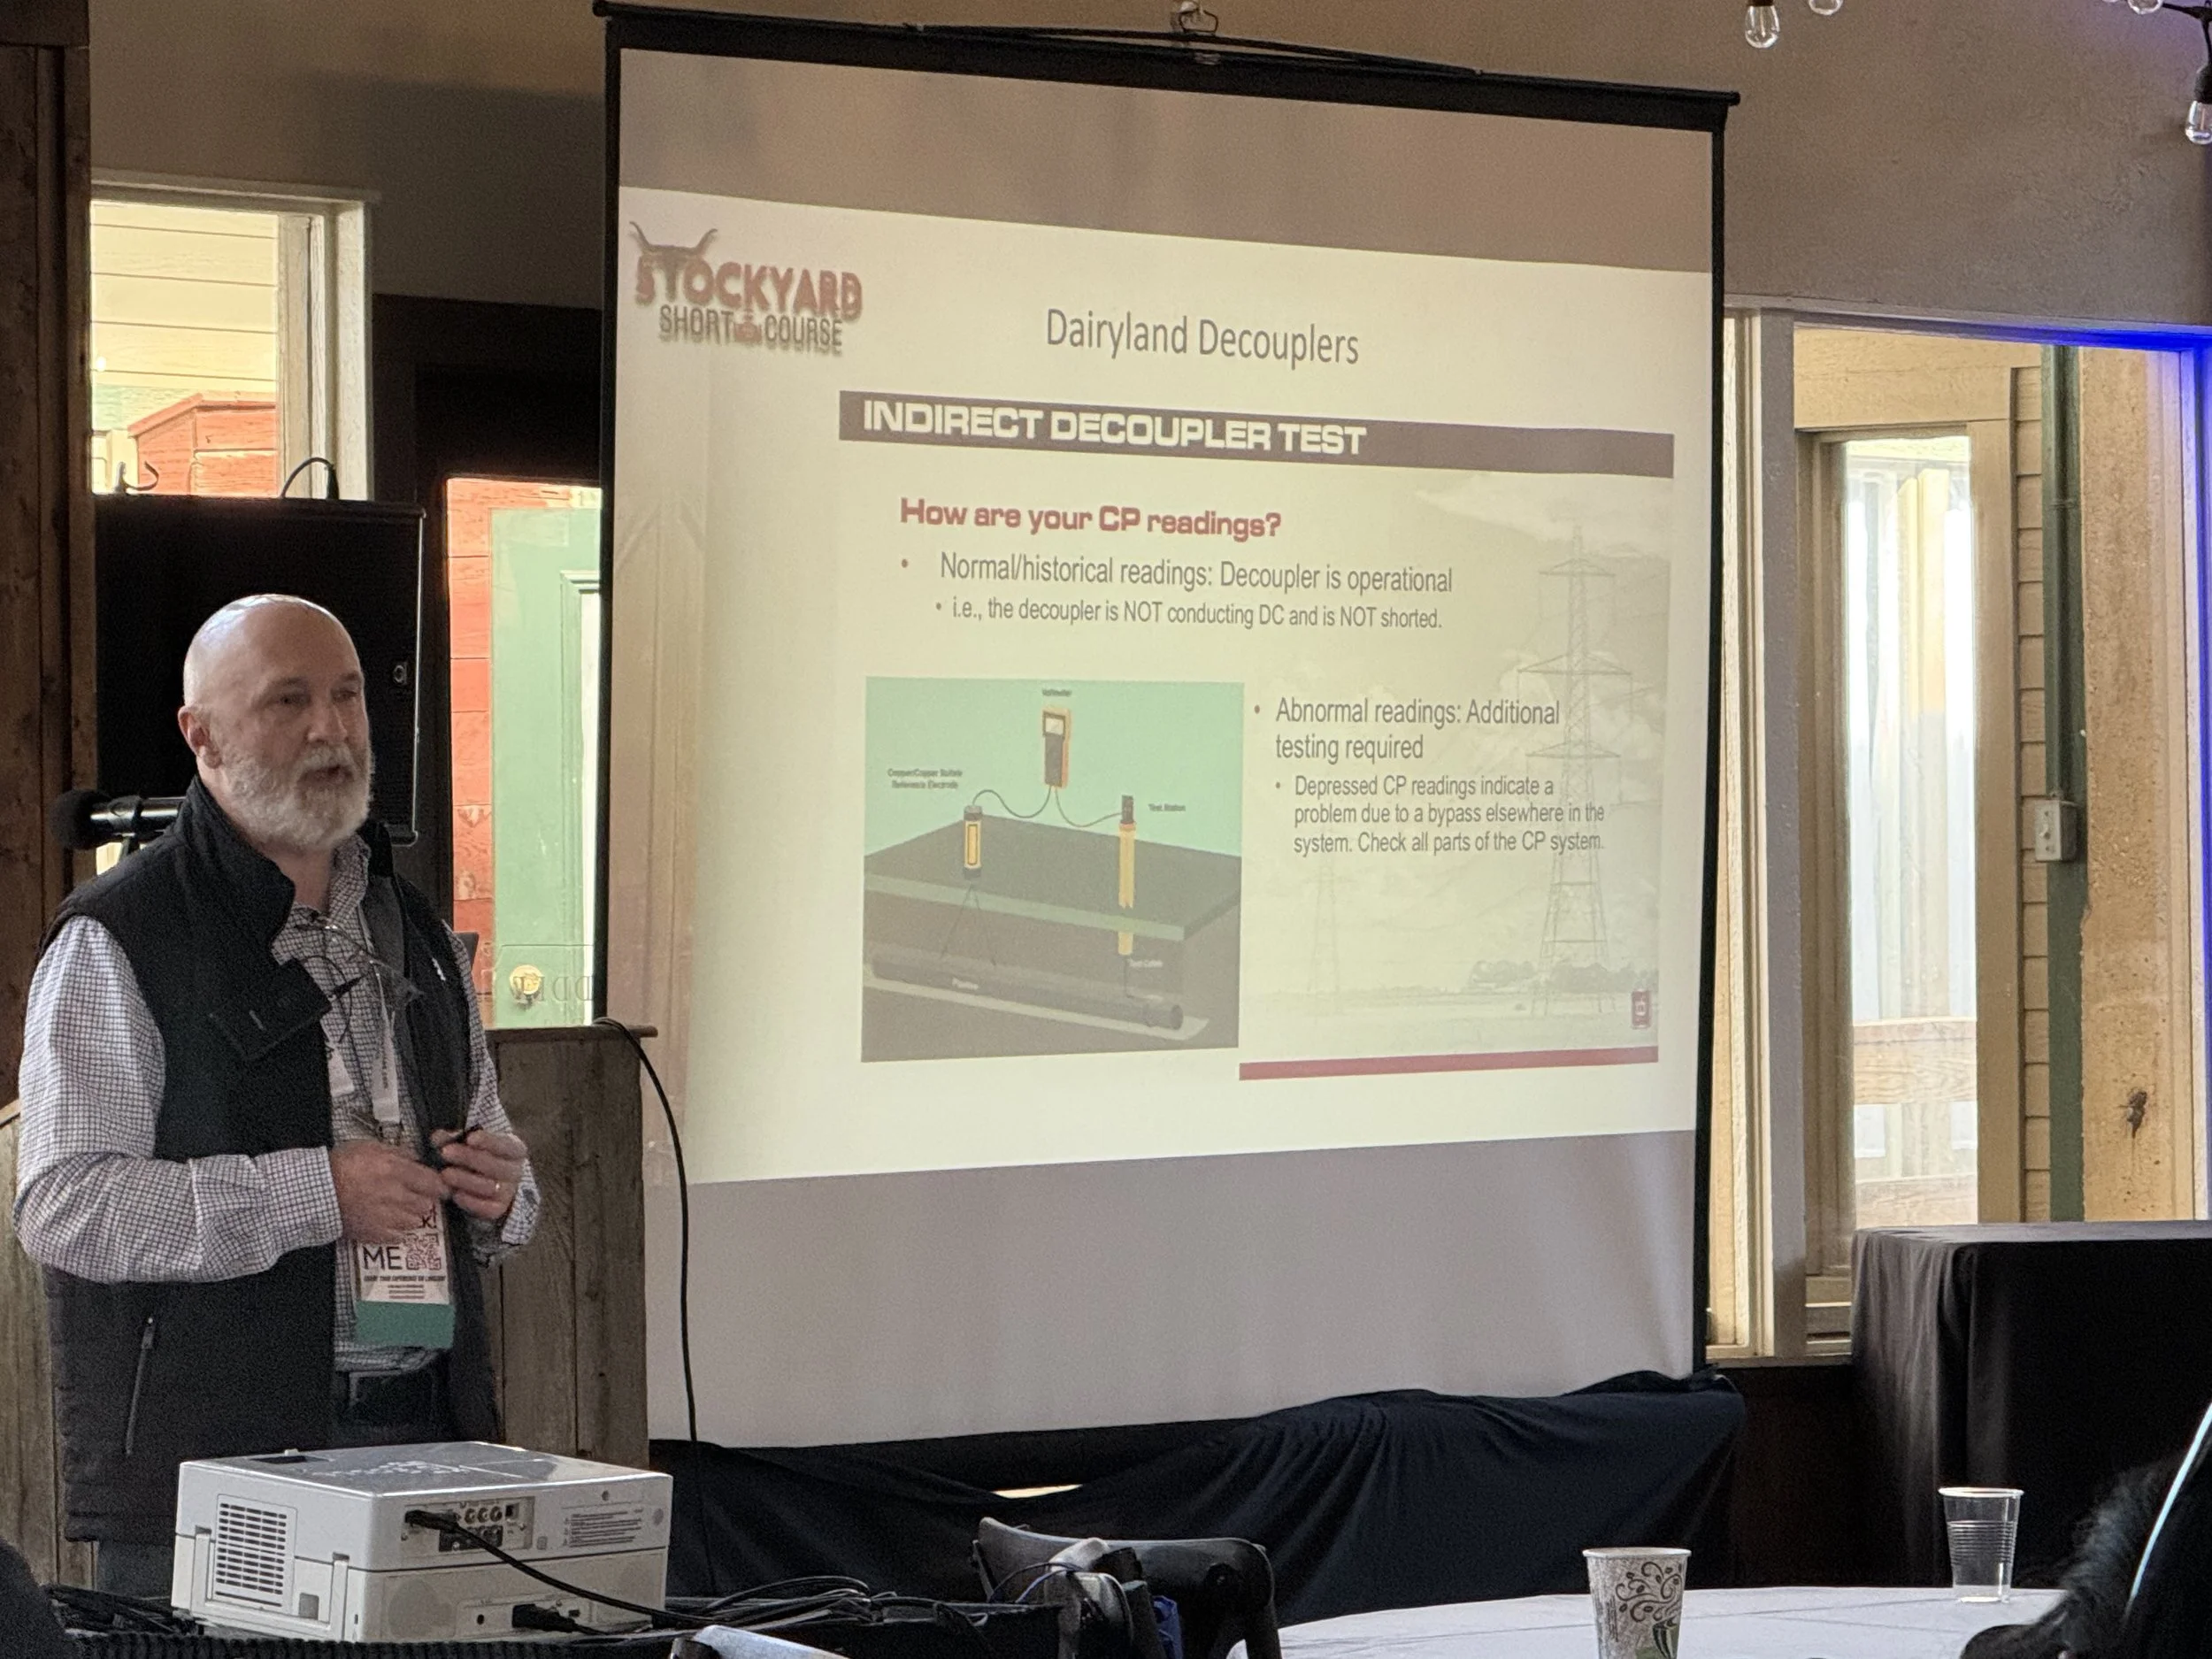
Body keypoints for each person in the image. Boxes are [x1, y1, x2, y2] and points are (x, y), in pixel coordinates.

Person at [12, 595, 538, 1601]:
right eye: (288, 700)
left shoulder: (417, 930)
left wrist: (501, 1194)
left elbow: (502, 1170)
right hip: (215, 1474)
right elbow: (65, 1206)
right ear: (200, 734)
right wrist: (317, 1194)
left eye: (348, 695)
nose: (331, 729)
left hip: (426, 1442)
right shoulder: (120, 936)